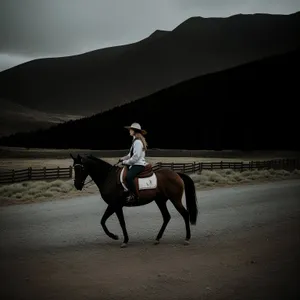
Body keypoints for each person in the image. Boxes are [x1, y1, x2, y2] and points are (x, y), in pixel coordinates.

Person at [119, 122, 148, 203]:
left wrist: (125, 162)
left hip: (138, 165)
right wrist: (122, 159)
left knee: (129, 176)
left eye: (130, 130)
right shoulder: (135, 141)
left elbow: (135, 157)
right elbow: (130, 154)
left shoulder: (138, 142)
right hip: (135, 164)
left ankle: (134, 195)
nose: (129, 131)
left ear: (134, 131)